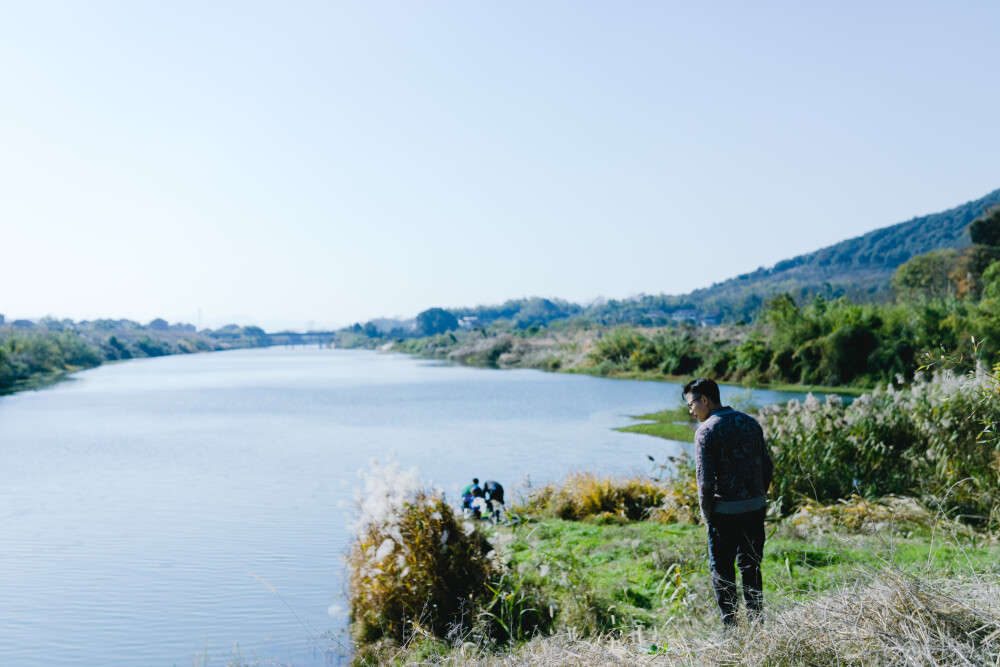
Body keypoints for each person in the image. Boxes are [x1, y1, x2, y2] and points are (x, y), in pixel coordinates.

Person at [683, 377, 773, 627]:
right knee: (751, 567)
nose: (691, 411)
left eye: (691, 404)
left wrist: (707, 514)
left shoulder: (706, 431)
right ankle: (757, 624)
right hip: (755, 509)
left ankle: (731, 630)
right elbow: (767, 466)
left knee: (722, 572)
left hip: (724, 514)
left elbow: (705, 482)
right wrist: (758, 497)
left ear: (704, 400)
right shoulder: (750, 422)